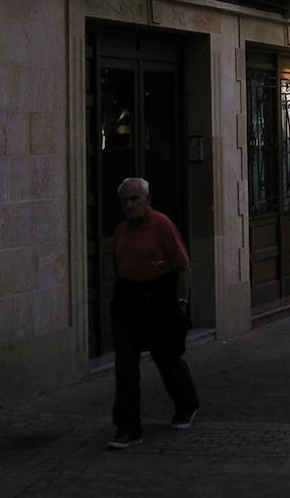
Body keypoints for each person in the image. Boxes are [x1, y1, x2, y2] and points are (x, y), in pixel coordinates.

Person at [107, 177, 199, 450]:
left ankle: (186, 404)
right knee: (125, 365)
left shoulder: (162, 225)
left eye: (135, 199)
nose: (130, 205)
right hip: (129, 300)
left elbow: (183, 267)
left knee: (167, 357)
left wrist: (181, 303)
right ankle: (128, 428)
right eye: (125, 201)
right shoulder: (121, 232)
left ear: (147, 199)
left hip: (160, 297)